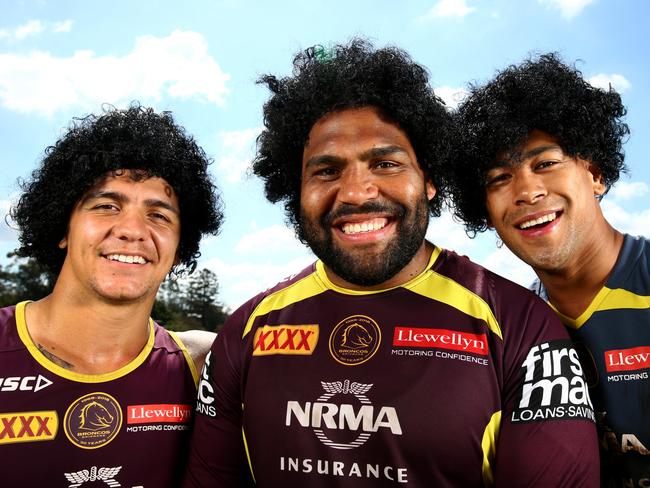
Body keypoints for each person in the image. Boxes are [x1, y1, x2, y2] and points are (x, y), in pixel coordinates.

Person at [184, 40, 598, 487]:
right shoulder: (245, 333)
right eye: (326, 171)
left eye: (384, 163)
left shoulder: (522, 326)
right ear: (295, 190)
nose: (357, 193)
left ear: (430, 179)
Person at [450, 53, 649, 486]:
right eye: (499, 178)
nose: (526, 191)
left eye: (545, 164)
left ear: (595, 174)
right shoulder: (511, 328)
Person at [1, 105, 223, 487]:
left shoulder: (206, 367)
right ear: (63, 228)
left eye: (159, 215)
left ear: (178, 247)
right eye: (107, 206)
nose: (132, 230)